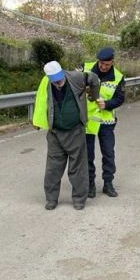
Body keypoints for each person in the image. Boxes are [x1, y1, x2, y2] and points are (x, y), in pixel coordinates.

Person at [33, 60, 100, 210]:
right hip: (55, 133)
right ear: (49, 79)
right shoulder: (46, 84)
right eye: (55, 82)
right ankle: (51, 199)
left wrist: (94, 97)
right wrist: (38, 121)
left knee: (78, 167)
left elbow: (94, 79)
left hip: (75, 131)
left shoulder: (76, 77)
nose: (59, 83)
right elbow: (41, 102)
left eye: (60, 80)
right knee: (53, 168)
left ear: (62, 73)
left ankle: (79, 199)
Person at [84, 46, 126, 198]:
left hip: (106, 122)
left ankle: (108, 183)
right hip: (88, 121)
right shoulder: (86, 69)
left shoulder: (118, 76)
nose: (103, 66)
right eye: (101, 63)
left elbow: (120, 98)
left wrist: (107, 104)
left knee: (108, 153)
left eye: (106, 64)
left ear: (112, 62)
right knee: (88, 155)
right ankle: (90, 184)